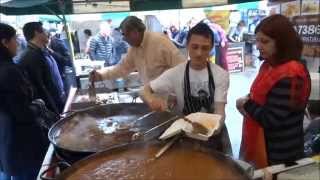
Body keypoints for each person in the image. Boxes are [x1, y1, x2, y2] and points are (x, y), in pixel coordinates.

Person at [141, 22, 231, 154]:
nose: (199, 53)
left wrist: (212, 131)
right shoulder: (176, 73)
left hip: (213, 135)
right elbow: (144, 90)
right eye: (194, 47)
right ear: (187, 45)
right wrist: (151, 100)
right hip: (185, 136)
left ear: (212, 48)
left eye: (205, 48)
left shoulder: (220, 75)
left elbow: (220, 111)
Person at [236, 14, 311, 168]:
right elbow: (264, 96)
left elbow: (271, 119)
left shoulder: (290, 75)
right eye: (257, 40)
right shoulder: (270, 65)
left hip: (279, 154)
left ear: (282, 42)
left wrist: (246, 103)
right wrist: (249, 99)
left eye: (264, 41)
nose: (258, 46)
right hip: (265, 145)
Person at [0, 23, 48, 180]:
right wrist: (39, 105)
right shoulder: (9, 71)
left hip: (7, 144)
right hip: (24, 145)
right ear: (4, 42)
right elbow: (23, 114)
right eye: (15, 38)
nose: (18, 43)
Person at [90, 16, 186, 84]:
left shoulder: (160, 42)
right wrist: (101, 75)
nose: (123, 38)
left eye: (125, 35)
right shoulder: (134, 49)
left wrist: (175, 96)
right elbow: (122, 68)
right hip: (153, 98)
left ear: (135, 33)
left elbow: (182, 68)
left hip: (171, 100)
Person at [19, 22, 66, 113]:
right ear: (37, 33)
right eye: (44, 30)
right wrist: (54, 110)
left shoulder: (42, 51)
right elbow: (41, 87)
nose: (47, 33)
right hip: (51, 106)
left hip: (58, 99)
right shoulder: (31, 56)